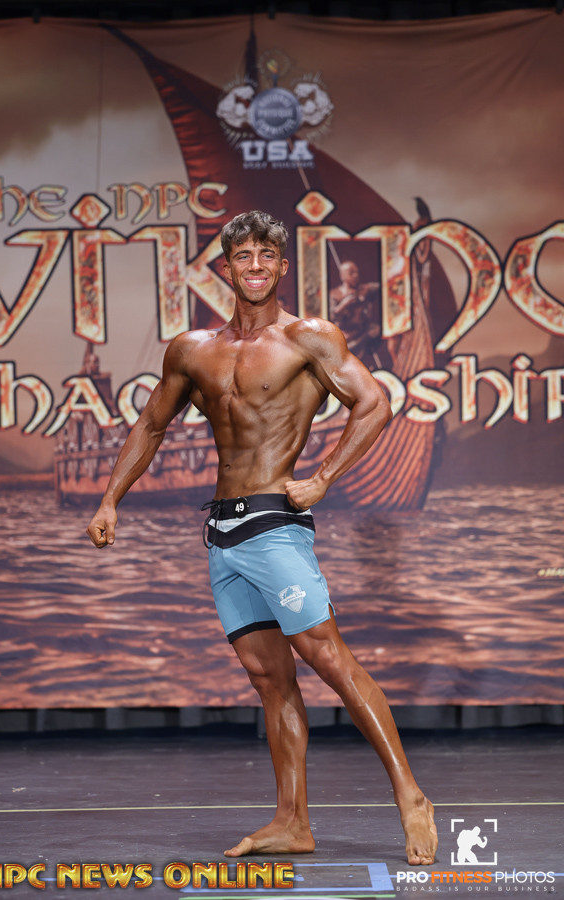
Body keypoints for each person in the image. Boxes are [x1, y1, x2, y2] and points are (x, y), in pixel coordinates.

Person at [87, 210, 437, 866]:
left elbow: (375, 403)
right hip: (223, 534)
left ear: (281, 266)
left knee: (328, 659)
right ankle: (292, 822)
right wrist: (110, 498)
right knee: (269, 679)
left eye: (266, 256)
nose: (254, 266)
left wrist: (324, 477)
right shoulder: (192, 349)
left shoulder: (309, 338)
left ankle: (411, 796)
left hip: (276, 526)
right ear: (226, 268)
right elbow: (152, 424)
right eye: (242, 256)